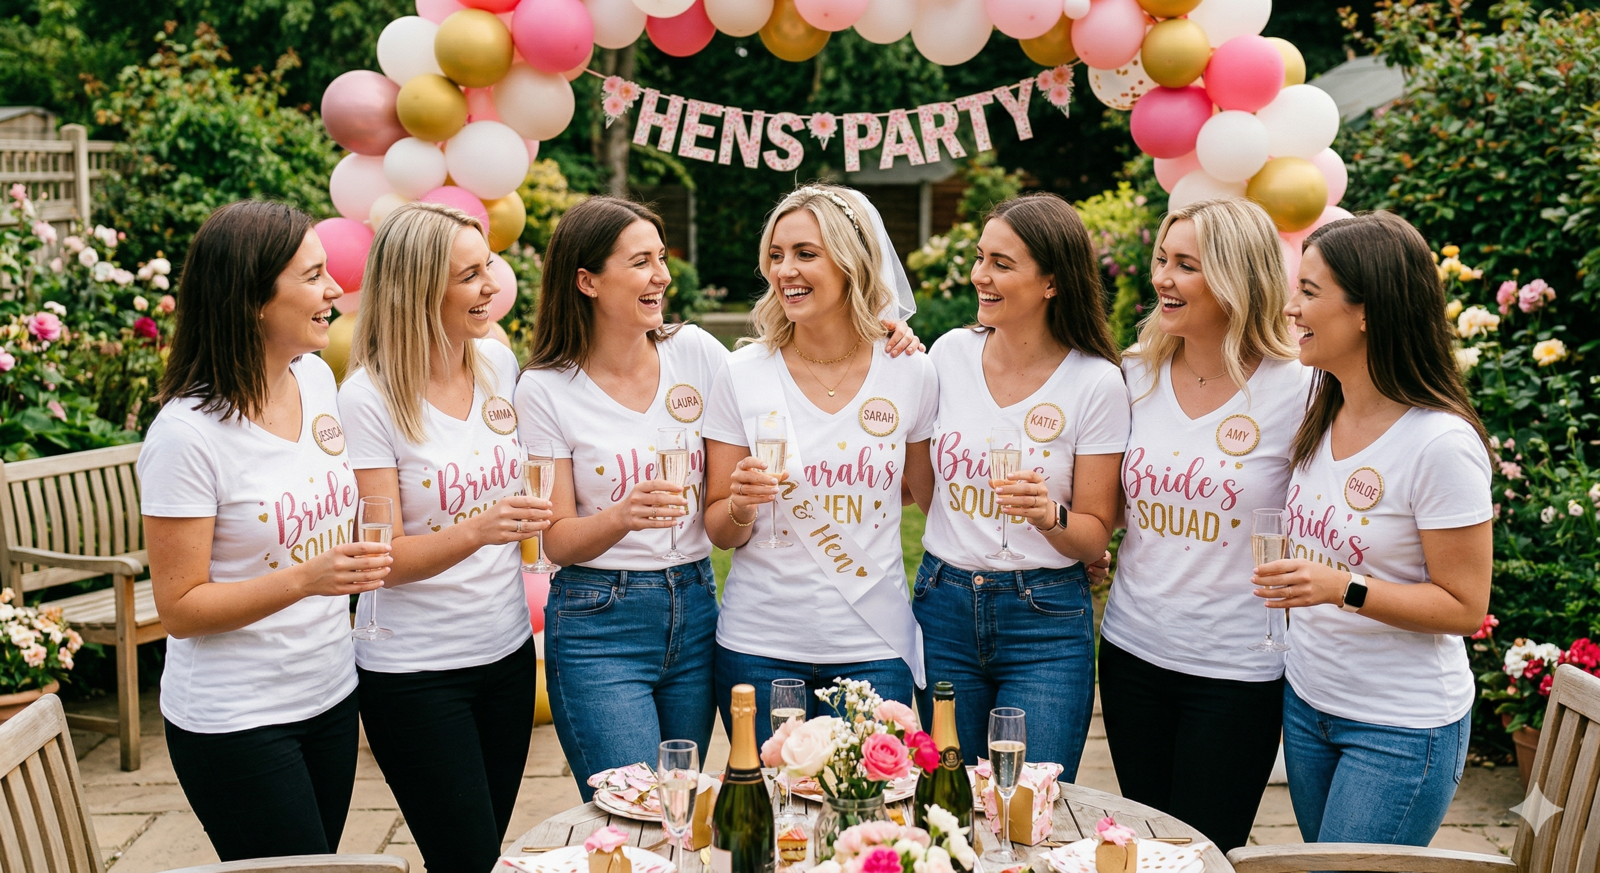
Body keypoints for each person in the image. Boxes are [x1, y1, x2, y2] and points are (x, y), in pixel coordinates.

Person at [518, 196, 923, 795]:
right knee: (635, 806)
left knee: (685, 801)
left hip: (693, 603)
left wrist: (889, 331)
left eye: (661, 258)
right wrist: (628, 514)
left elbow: (905, 480)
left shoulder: (700, 355)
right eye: (642, 262)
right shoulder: (546, 388)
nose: (662, 275)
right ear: (587, 281)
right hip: (602, 614)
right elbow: (554, 538)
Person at [139, 200, 392, 860]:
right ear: (253, 297)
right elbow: (182, 607)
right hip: (237, 719)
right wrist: (308, 578)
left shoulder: (314, 378)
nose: (334, 289)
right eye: (312, 276)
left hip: (330, 693)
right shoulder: (186, 436)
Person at [1260, 210, 1491, 846]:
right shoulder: (1320, 405)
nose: (1290, 309)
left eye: (1309, 292)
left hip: (1398, 728)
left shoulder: (1440, 443)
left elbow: (1465, 606)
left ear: (1367, 310)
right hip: (1310, 706)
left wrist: (1343, 587)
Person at [337, 202, 550, 873]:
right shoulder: (368, 398)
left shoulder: (496, 362)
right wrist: (481, 528)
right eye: (470, 275)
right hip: (416, 674)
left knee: (480, 853)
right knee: (465, 858)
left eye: (486, 265)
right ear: (418, 289)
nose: (492, 284)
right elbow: (382, 558)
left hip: (508, 656)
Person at [1096, 197, 1309, 852]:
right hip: (1134, 654)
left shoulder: (1300, 387)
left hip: (1238, 670)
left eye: (1186, 264)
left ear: (1238, 278)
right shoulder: (1134, 374)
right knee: (1144, 848)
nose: (1163, 277)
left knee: (1205, 854)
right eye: (1163, 259)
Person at [703, 184, 938, 744]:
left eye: (806, 253)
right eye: (776, 255)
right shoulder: (742, 374)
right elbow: (718, 529)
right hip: (758, 648)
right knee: (768, 821)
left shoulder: (911, 371)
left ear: (852, 261)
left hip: (874, 647)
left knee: (867, 824)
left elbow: (922, 495)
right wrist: (738, 504)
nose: (786, 270)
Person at [914, 193, 1126, 775]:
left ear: (1052, 283)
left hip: (1045, 621)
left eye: (1002, 264)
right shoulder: (949, 354)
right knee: (947, 803)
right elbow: (928, 485)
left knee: (1032, 806)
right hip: (944, 607)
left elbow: (1090, 537)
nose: (981, 275)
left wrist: (1046, 515)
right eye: (981, 258)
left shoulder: (1096, 383)